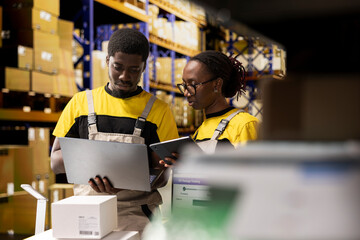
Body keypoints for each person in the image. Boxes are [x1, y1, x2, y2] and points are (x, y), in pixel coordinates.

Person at [50, 28, 179, 235]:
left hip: (137, 215)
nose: (125, 76)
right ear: (107, 60)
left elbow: (162, 174)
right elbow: (55, 162)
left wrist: (126, 180)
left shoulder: (159, 111)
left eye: (134, 69)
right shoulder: (80, 103)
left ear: (144, 66)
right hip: (87, 213)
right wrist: (97, 162)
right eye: (117, 67)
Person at [160, 50, 259, 166]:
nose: (186, 93)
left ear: (217, 84)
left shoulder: (245, 125)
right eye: (185, 85)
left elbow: (253, 177)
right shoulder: (200, 130)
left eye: (193, 84)